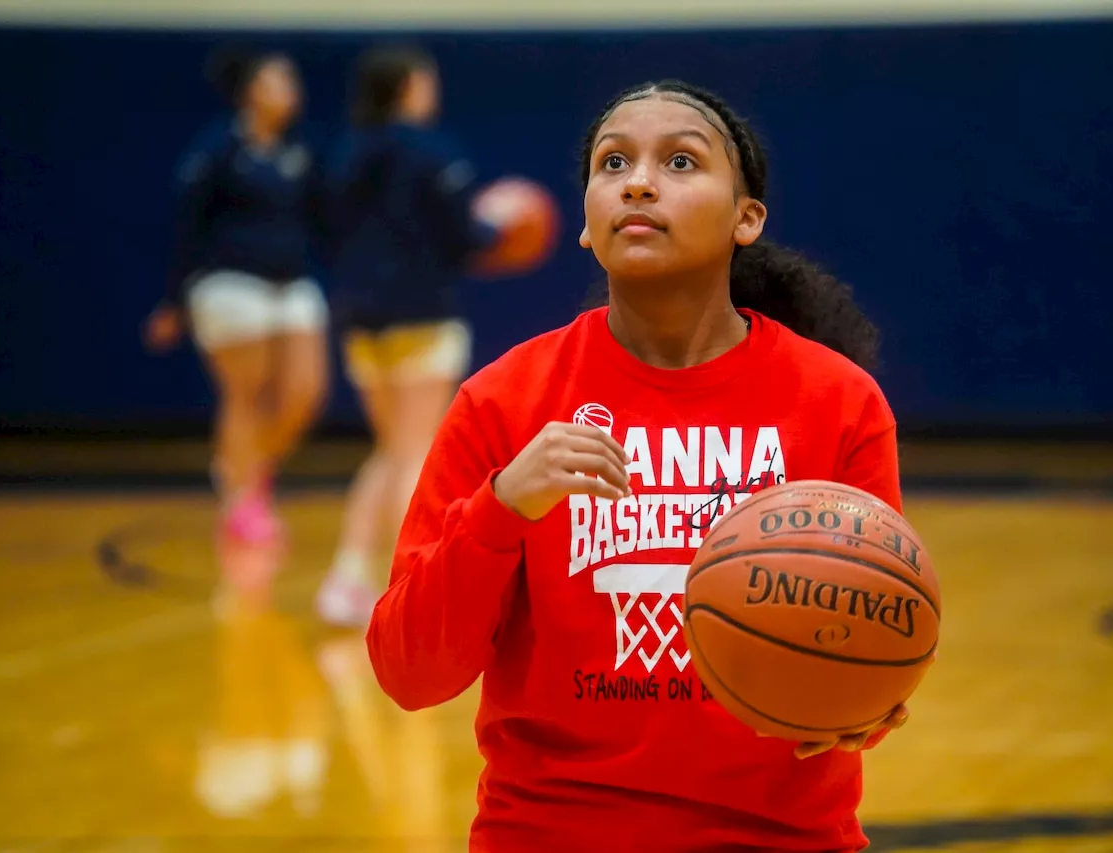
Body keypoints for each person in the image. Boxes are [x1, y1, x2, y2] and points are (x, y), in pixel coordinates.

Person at [366, 79, 910, 853]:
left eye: (682, 161)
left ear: (746, 218)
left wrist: (869, 697)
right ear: (588, 223)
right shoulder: (504, 401)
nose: (640, 181)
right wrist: (501, 507)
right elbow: (409, 673)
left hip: (782, 836)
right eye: (613, 162)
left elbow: (872, 652)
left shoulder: (838, 402)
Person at [314, 44, 502, 628]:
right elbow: (466, 235)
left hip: (360, 319)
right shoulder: (431, 151)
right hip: (420, 313)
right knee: (418, 453)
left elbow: (327, 231)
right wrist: (502, 226)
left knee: (394, 448)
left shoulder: (345, 154)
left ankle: (346, 574)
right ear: (409, 88)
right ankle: (414, 589)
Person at [144, 47, 329, 544]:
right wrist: (173, 301)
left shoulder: (299, 152)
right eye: (277, 81)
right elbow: (188, 226)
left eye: (292, 80)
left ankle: (244, 469)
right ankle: (241, 500)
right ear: (250, 91)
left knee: (304, 393)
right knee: (246, 395)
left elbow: (323, 223)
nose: (290, 91)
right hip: (229, 285)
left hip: (291, 285)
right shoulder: (218, 149)